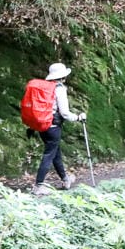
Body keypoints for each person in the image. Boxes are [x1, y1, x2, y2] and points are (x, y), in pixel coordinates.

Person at [32, 62, 86, 196]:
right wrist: (78, 118)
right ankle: (38, 186)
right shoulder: (59, 89)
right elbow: (65, 113)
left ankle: (65, 179)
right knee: (49, 155)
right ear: (62, 76)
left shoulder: (44, 88)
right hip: (53, 127)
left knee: (55, 153)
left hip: (42, 126)